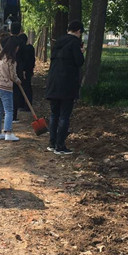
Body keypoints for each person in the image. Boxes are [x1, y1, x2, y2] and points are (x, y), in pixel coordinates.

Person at [45, 20, 85, 155]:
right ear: (78, 31)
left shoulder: (58, 42)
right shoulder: (74, 43)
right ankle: (60, 146)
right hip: (67, 84)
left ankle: (52, 143)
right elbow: (79, 62)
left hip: (53, 82)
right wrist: (81, 52)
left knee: (54, 114)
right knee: (64, 116)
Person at [0, 35, 22, 142]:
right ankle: (8, 133)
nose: (18, 48)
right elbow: (12, 76)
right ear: (14, 47)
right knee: (9, 111)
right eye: (17, 46)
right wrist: (18, 80)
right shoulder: (11, 60)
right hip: (5, 88)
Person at [18, 33, 36, 112]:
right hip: (28, 70)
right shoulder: (30, 48)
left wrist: (24, 70)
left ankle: (27, 106)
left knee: (26, 88)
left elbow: (26, 61)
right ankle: (23, 104)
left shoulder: (26, 49)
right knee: (25, 87)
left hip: (25, 71)